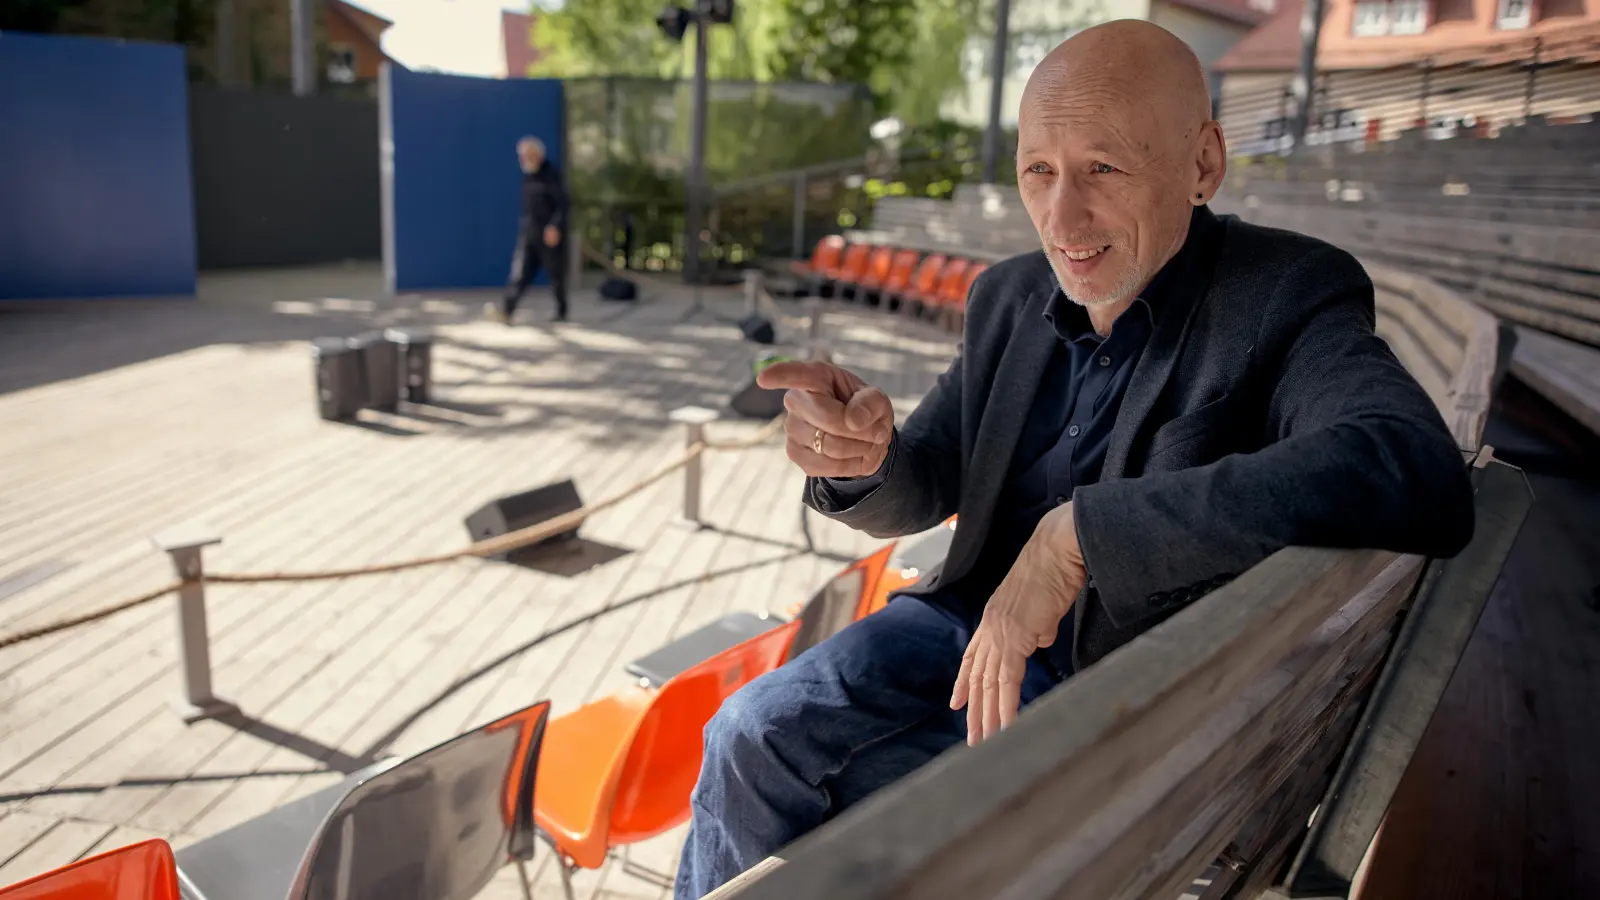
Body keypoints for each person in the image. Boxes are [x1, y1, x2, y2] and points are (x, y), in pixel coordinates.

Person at [671, 19, 1476, 900]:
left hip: (1120, 700)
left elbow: (1408, 462)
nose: (1062, 219)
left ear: (1203, 164)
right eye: (1038, 171)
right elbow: (930, 473)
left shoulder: (1285, 291)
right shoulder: (1010, 295)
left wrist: (1082, 536)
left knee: (834, 836)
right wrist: (863, 458)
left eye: (1103, 168)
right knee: (745, 735)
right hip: (964, 631)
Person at [491, 136, 569, 324]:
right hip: (529, 233)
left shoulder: (552, 175)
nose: (523, 159)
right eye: (521, 156)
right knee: (520, 273)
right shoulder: (528, 176)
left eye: (527, 155)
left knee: (555, 275)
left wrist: (555, 226)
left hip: (549, 234)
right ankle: (507, 310)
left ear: (538, 155)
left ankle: (561, 310)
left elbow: (563, 204)